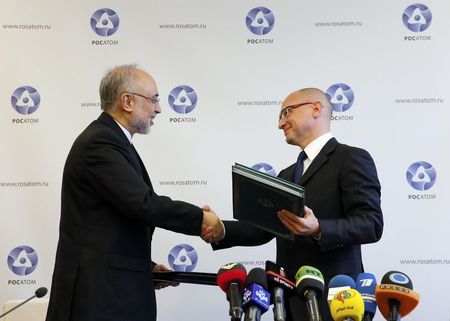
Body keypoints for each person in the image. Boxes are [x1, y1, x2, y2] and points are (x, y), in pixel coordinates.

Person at [45, 64, 221, 321]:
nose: (158, 108)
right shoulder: (100, 141)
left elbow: (108, 226)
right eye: (154, 99)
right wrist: (201, 219)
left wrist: (145, 269)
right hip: (97, 300)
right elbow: (143, 204)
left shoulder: (114, 140)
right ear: (127, 101)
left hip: (112, 293)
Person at [202, 88, 383, 321]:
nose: (280, 124)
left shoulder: (350, 158)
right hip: (288, 300)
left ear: (316, 108)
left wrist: (318, 229)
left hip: (337, 302)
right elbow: (263, 228)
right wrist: (221, 229)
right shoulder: (287, 174)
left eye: (286, 113)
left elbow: (371, 223)